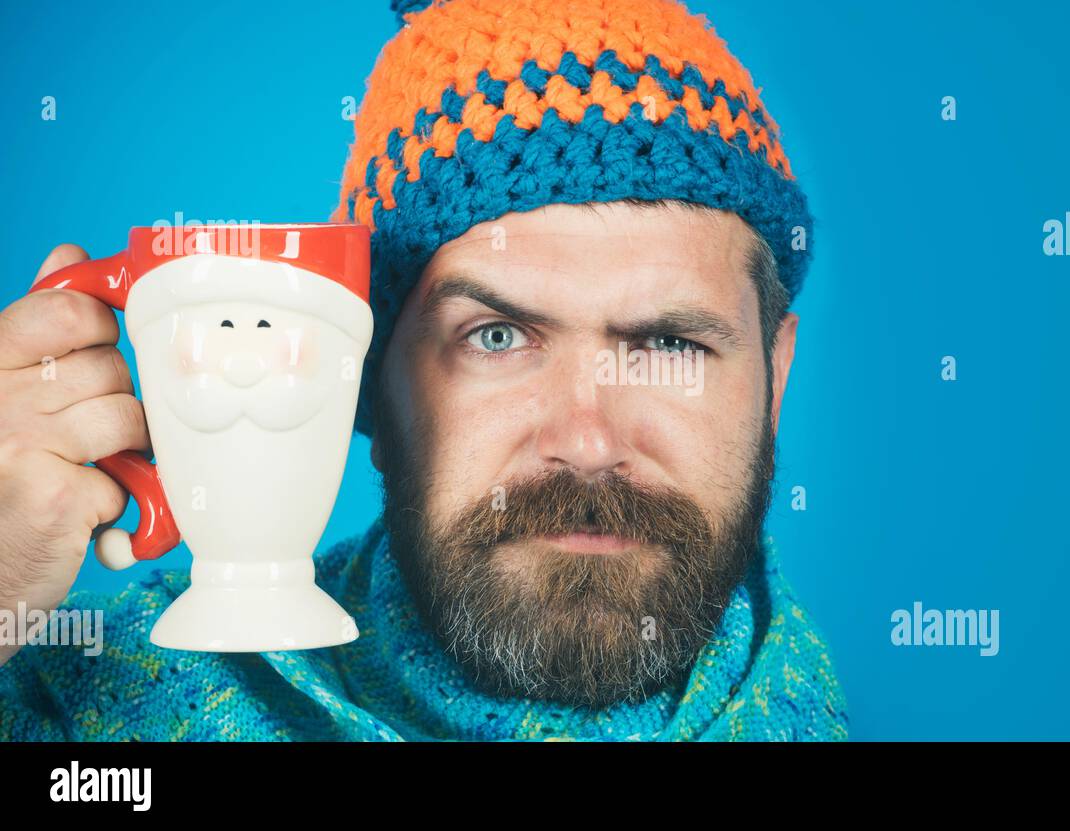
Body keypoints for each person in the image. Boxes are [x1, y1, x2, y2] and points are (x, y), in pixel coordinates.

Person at [0, 0, 848, 741]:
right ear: (366, 382)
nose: (588, 442)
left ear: (775, 375)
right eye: (496, 336)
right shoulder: (78, 710)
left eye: (669, 345)